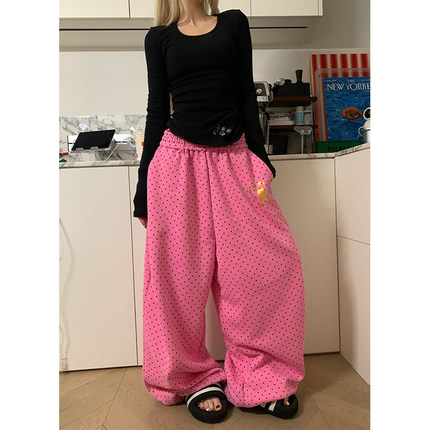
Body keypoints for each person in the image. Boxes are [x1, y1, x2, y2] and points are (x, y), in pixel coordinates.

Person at [133, 0, 305, 424]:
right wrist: (142, 189)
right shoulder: (158, 38)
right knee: (177, 280)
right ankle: (192, 378)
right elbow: (158, 109)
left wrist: (261, 159)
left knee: (263, 270)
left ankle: (261, 375)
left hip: (235, 158)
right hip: (176, 162)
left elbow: (245, 92)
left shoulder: (233, 23)